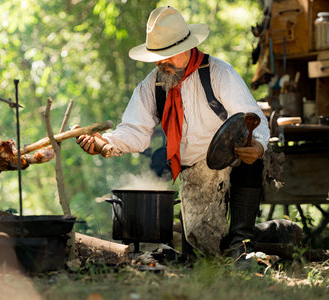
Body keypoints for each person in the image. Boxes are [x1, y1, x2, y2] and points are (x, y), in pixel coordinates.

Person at [77, 6, 270, 266]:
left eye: (167, 55)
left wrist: (257, 145)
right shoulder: (152, 85)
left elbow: (252, 118)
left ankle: (243, 241)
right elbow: (135, 130)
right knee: (203, 251)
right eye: (157, 56)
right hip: (195, 172)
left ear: (187, 48)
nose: (161, 62)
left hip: (231, 161)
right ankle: (273, 233)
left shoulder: (219, 73)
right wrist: (106, 143)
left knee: (251, 162)